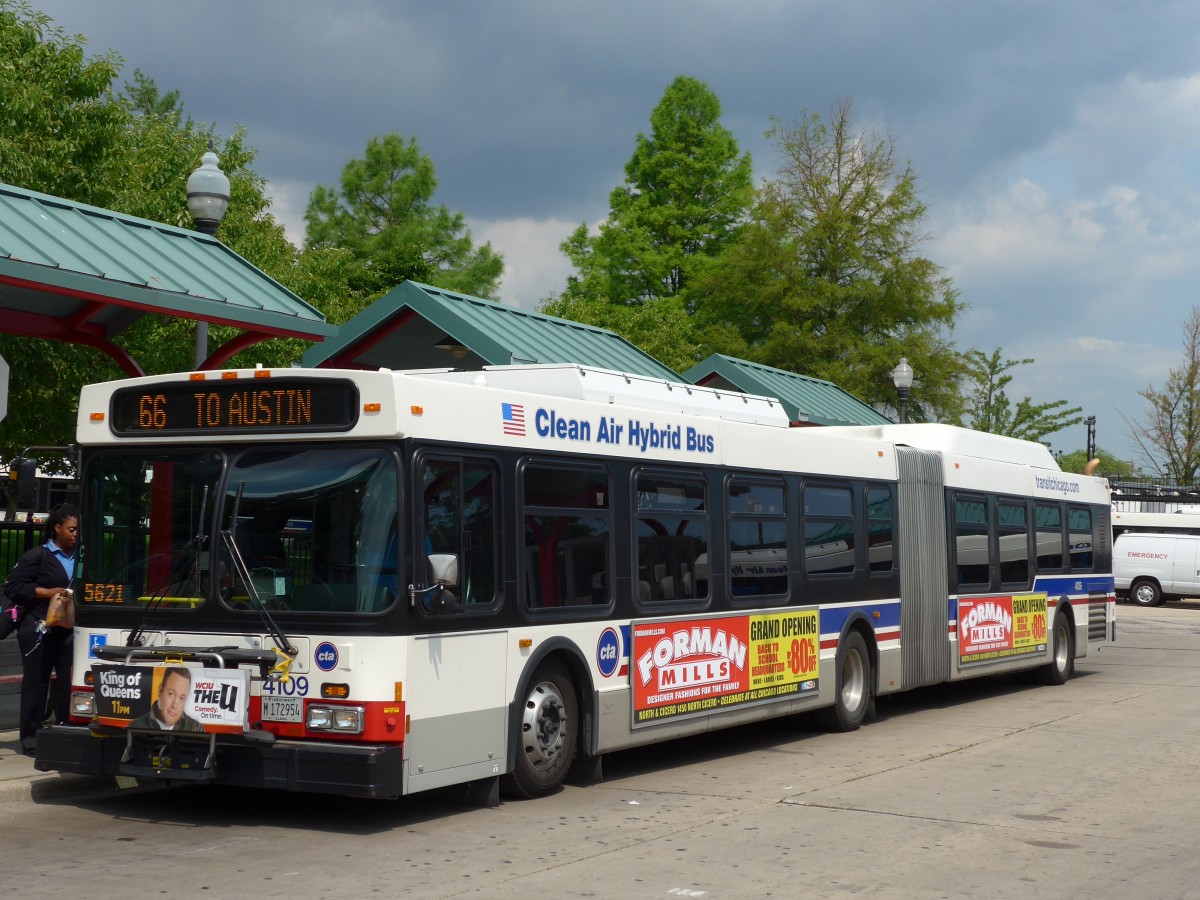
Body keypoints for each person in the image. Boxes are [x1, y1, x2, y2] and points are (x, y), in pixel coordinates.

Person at [8, 504, 78, 756]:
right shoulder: (38, 556)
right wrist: (47, 592)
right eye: (71, 529)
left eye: (78, 530)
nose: (75, 534)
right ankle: (31, 738)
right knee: (36, 682)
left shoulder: (81, 556)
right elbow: (14, 587)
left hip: (69, 629)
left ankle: (66, 729)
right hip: (39, 628)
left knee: (70, 680)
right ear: (57, 528)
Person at [129, 666, 205, 732]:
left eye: (182, 698)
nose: (175, 705)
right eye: (171, 694)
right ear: (160, 691)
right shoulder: (136, 726)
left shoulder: (195, 728)